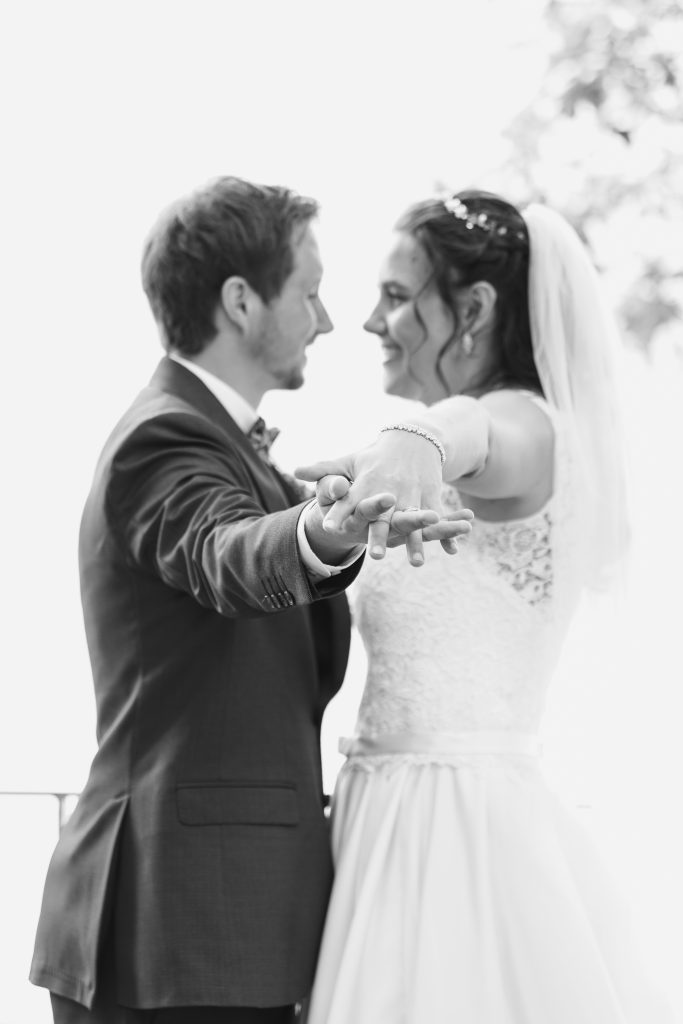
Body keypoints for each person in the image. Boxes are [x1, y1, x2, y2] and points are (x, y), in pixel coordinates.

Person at [28, 176, 472, 1024]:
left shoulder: (218, 438)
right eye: (308, 292)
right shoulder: (163, 436)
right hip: (182, 926)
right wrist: (323, 531)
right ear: (240, 301)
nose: (327, 320)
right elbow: (221, 550)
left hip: (215, 922)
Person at [299, 191, 675, 1022]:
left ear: (471, 311)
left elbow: (472, 429)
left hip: (450, 832)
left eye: (396, 297)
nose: (370, 320)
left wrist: (417, 439)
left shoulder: (525, 427)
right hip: (382, 815)